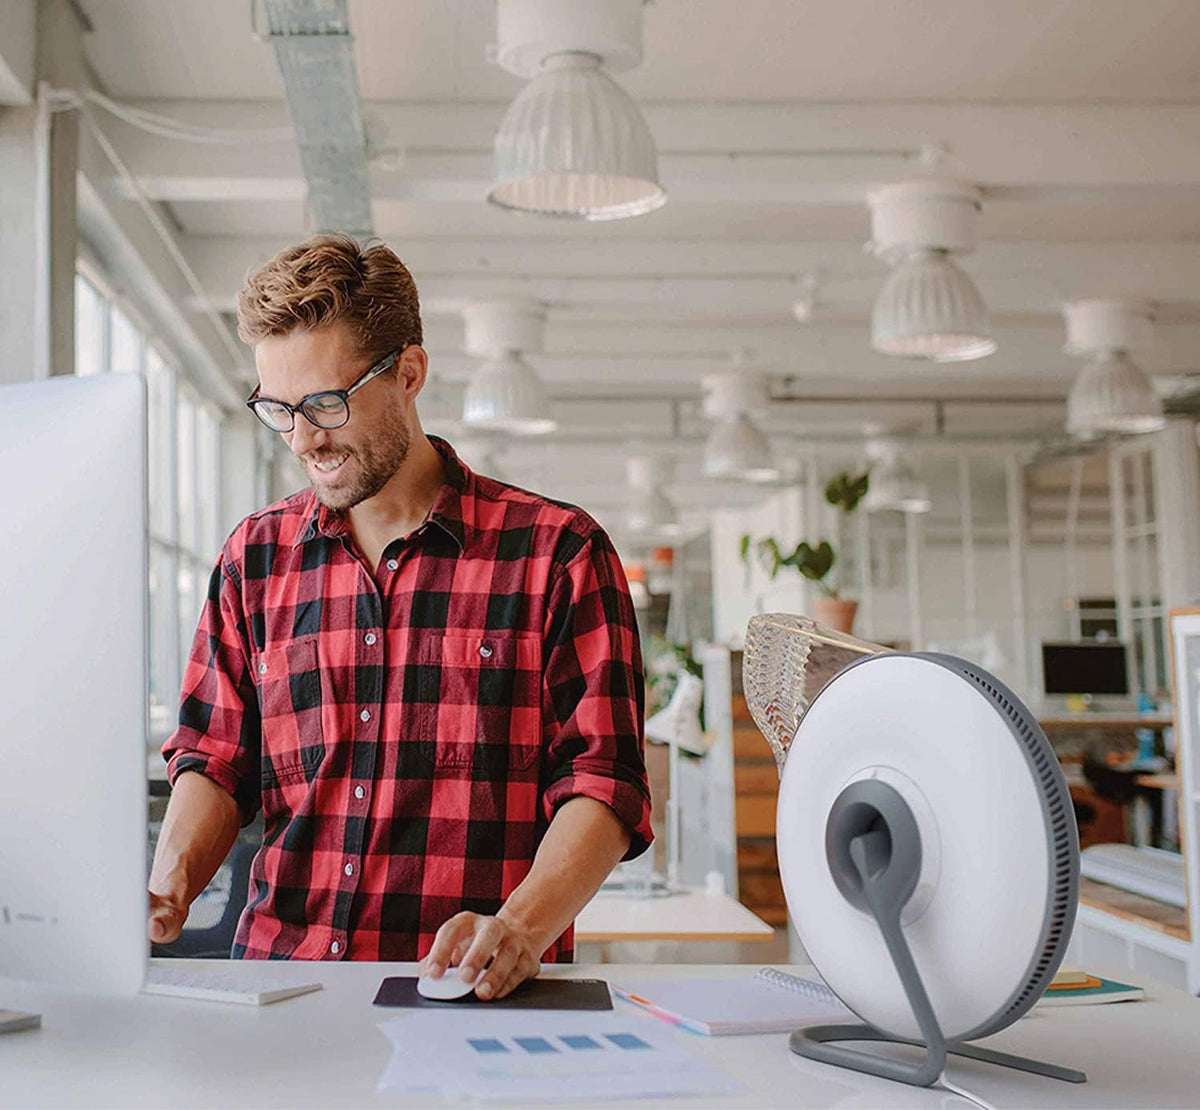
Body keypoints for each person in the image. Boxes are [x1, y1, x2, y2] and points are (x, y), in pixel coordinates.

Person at [148, 234, 653, 1001]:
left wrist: (519, 926)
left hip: (469, 995)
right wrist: (166, 890)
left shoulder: (558, 553)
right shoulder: (254, 558)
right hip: (281, 989)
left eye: (325, 402)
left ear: (409, 373)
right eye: (277, 409)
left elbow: (602, 783)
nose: (304, 437)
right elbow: (215, 758)